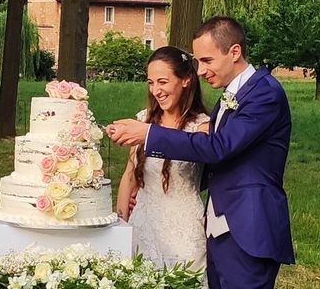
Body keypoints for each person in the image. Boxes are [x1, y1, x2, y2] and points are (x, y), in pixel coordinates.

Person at [108, 17, 295, 289]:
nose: (199, 70)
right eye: (197, 61)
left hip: (248, 229)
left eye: (206, 61)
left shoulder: (264, 93)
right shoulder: (230, 97)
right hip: (217, 230)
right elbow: (218, 165)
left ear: (234, 52)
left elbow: (219, 147)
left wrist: (148, 134)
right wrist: (155, 192)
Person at [116, 46, 210, 273]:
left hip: (183, 229)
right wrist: (121, 224)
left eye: (163, 82)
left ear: (186, 80)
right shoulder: (144, 120)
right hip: (143, 223)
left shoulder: (201, 126)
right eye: (150, 82)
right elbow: (130, 175)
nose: (156, 90)